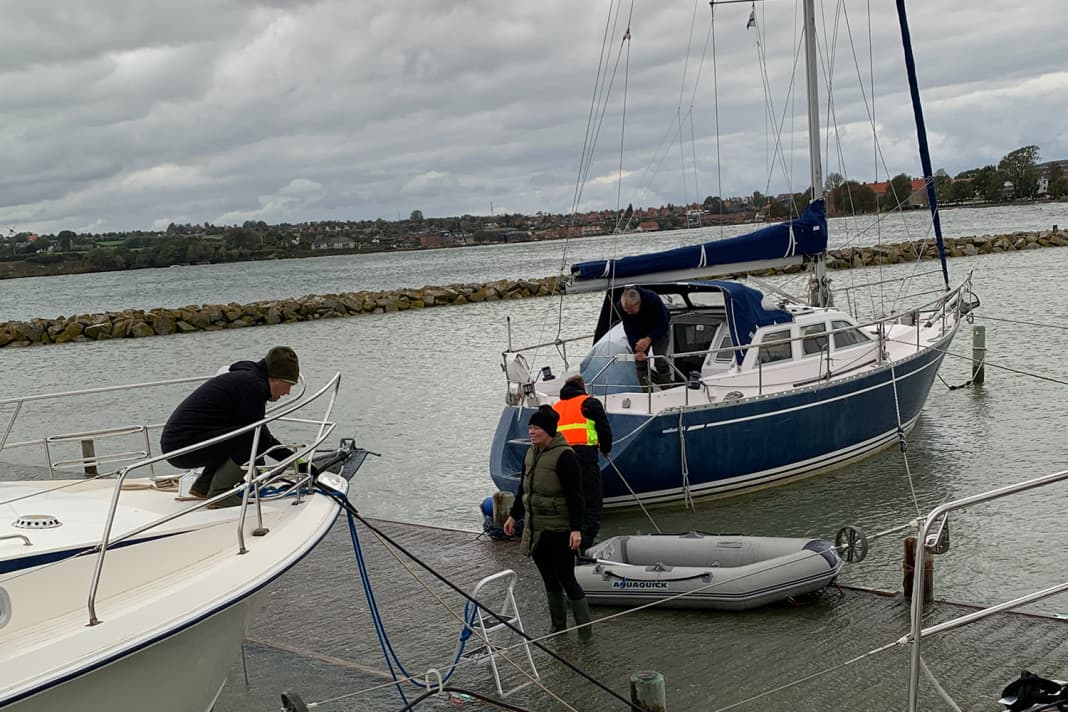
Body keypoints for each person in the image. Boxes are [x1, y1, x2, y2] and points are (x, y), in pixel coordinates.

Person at [160, 345, 315, 508]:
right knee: (254, 438)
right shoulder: (253, 386)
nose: (288, 392)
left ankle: (203, 486)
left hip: (179, 443)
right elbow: (261, 437)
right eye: (289, 384)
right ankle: (219, 494)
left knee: (246, 435)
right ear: (275, 378)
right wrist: (299, 464)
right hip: (182, 448)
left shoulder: (249, 376)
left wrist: (294, 463)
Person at [503, 406, 593, 642]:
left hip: (560, 530)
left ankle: (585, 634)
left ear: (549, 431)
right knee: (549, 579)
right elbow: (524, 487)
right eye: (530, 427)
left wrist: (576, 529)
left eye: (537, 428)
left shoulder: (565, 457)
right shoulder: (531, 453)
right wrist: (513, 516)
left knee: (567, 578)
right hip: (537, 529)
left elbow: (576, 496)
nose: (532, 432)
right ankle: (558, 628)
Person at [553, 375, 612, 552]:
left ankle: (565, 545)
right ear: (582, 387)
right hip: (585, 459)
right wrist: (606, 449)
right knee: (591, 507)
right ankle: (583, 549)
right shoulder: (589, 403)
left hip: (561, 460)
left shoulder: (556, 407)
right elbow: (604, 429)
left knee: (570, 504)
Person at [619, 286, 671, 382]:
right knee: (639, 361)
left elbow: (664, 324)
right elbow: (628, 328)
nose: (628, 314)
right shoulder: (622, 307)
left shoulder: (653, 299)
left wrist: (648, 339)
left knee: (660, 360)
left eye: (631, 310)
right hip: (639, 331)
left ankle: (666, 387)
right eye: (626, 311)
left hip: (658, 329)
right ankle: (646, 391)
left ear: (638, 304)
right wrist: (636, 349)